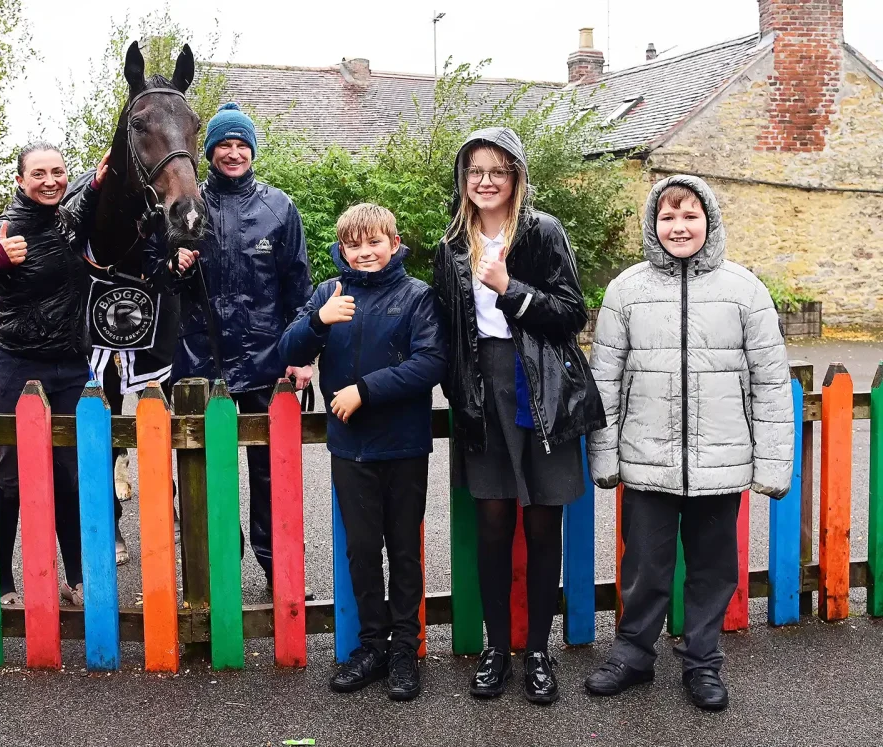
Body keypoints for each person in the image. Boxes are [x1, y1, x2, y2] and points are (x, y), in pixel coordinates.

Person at [584, 175, 793, 711]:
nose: (679, 227)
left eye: (690, 216)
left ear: (710, 220)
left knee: (712, 569)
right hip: (646, 460)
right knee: (644, 568)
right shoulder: (626, 290)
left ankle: (702, 662)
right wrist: (604, 456)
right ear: (654, 225)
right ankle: (632, 655)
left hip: (720, 464)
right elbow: (604, 381)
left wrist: (771, 465)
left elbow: (770, 383)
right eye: (668, 217)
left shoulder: (744, 289)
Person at [432, 127, 605, 705]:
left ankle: (537, 651)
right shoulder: (452, 245)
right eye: (475, 170)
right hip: (483, 395)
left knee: (540, 526)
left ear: (516, 178)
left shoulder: (541, 232)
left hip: (540, 387)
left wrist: (511, 289)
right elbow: (446, 330)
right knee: (493, 525)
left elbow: (572, 313)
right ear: (464, 178)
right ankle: (496, 651)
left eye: (497, 171)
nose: (485, 181)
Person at [279, 203, 446, 701]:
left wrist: (363, 390)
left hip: (403, 445)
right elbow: (288, 351)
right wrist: (318, 322)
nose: (365, 252)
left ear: (394, 244)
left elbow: (431, 361)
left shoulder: (417, 296)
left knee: (403, 549)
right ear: (342, 250)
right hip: (351, 449)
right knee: (360, 551)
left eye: (375, 242)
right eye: (354, 245)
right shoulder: (329, 292)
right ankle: (372, 647)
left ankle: (403, 651)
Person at [0, 142, 110, 606]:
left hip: (71, 367)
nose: (50, 181)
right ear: (20, 180)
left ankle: (76, 579)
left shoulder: (69, 223)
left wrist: (96, 180)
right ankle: (2, 582)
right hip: (17, 366)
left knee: (72, 475)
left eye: (58, 172)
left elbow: (89, 200)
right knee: (9, 477)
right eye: (39, 174)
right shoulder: (4, 229)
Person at [151, 102, 313, 593]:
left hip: (268, 362)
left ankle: (279, 569)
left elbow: (298, 289)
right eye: (225, 144)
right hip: (201, 363)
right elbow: (159, 283)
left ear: (253, 151)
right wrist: (173, 265)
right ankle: (221, 571)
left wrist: (303, 356)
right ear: (210, 152)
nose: (234, 153)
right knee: (211, 476)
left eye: (242, 144)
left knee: (273, 477)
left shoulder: (279, 207)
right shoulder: (186, 205)